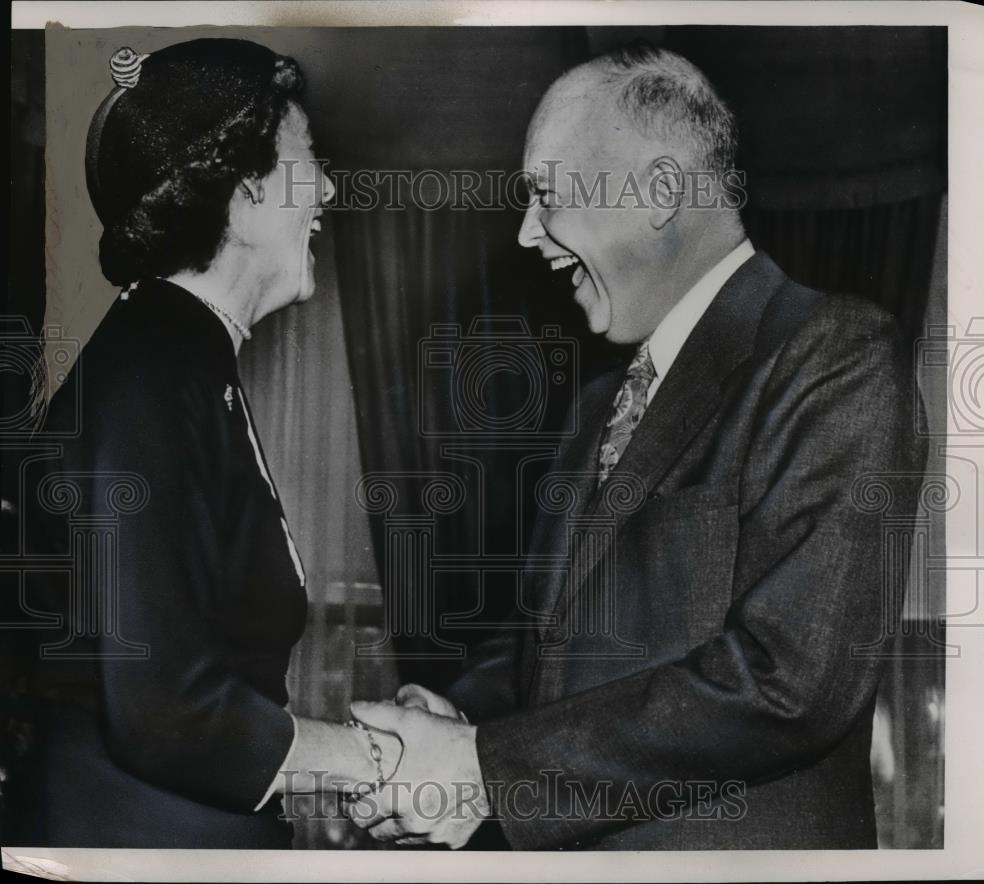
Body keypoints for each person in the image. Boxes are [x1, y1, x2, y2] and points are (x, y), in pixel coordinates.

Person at [345, 42, 928, 849]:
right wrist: (458, 716)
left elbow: (792, 679)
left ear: (658, 192)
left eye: (545, 194)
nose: (524, 235)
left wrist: (483, 769)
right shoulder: (596, 407)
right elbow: (542, 649)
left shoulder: (834, 355)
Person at [16, 38, 399, 848]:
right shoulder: (151, 369)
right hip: (134, 840)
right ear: (245, 189)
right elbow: (165, 711)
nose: (328, 187)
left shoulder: (184, 358)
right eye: (309, 160)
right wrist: (376, 759)